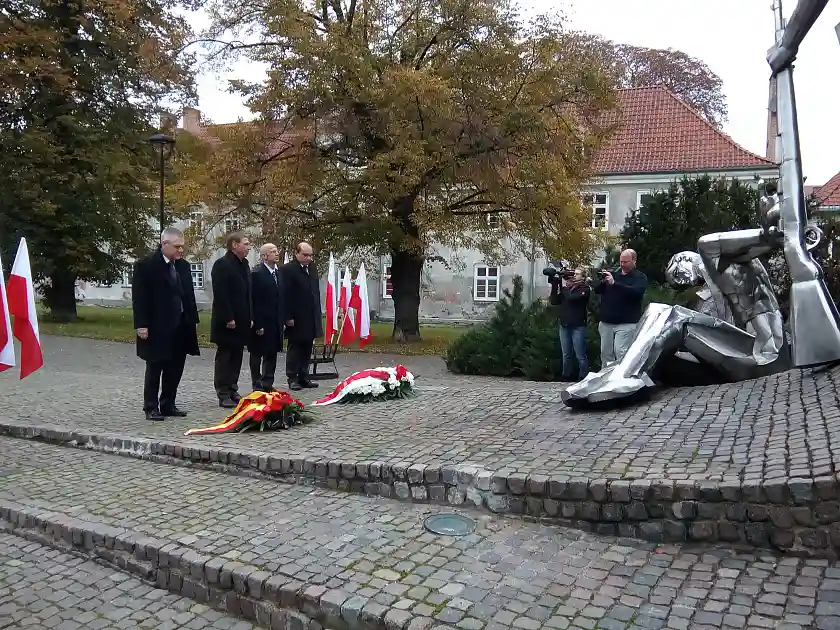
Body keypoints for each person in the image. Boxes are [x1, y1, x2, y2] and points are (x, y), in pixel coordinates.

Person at [132, 228, 200, 421]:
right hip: (157, 325)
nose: (181, 251)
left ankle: (168, 403)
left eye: (182, 247)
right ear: (164, 244)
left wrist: (192, 320)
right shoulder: (146, 266)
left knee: (175, 366)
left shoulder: (183, 266)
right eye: (177, 247)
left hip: (180, 325)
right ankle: (151, 406)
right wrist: (141, 325)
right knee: (155, 366)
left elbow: (188, 297)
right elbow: (140, 298)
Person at [210, 231, 252, 408]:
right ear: (235, 245)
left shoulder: (244, 264)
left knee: (237, 356)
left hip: (242, 319)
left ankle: (233, 388)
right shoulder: (222, 264)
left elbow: (248, 293)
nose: (249, 247)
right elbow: (221, 294)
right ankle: (223, 392)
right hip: (227, 321)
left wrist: (250, 316)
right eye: (246, 243)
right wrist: (228, 317)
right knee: (225, 357)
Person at [594, 249, 648, 368]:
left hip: (626, 322)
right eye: (621, 261)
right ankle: (606, 379)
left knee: (621, 351)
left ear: (634, 261)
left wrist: (615, 284)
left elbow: (636, 293)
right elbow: (597, 290)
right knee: (605, 353)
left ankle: (622, 378)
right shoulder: (614, 274)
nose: (622, 264)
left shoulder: (639, 277)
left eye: (626, 262)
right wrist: (602, 280)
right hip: (606, 322)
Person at [281, 242, 322, 391]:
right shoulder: (288, 269)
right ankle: (292, 378)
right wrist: (288, 316)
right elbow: (285, 294)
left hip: (310, 315)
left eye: (310, 255)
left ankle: (304, 376)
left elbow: (314, 291)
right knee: (295, 348)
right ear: (296, 254)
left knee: (307, 347)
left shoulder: (312, 268)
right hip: (296, 316)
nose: (309, 258)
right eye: (305, 255)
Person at [248, 243, 284, 392]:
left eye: (277, 251)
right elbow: (254, 300)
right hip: (261, 321)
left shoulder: (279, 272)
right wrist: (257, 324)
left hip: (275, 321)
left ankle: (268, 381)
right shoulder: (256, 273)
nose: (277, 254)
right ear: (264, 256)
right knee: (257, 353)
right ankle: (257, 383)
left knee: (272, 352)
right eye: (273, 252)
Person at [549, 268, 590, 381]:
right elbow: (554, 301)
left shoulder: (584, 289)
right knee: (566, 354)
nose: (574, 276)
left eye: (577, 274)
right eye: (573, 274)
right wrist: (555, 284)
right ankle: (566, 376)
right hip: (565, 325)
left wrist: (563, 286)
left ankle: (584, 376)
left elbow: (571, 298)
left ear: (583, 277)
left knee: (580, 355)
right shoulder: (567, 289)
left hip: (578, 326)